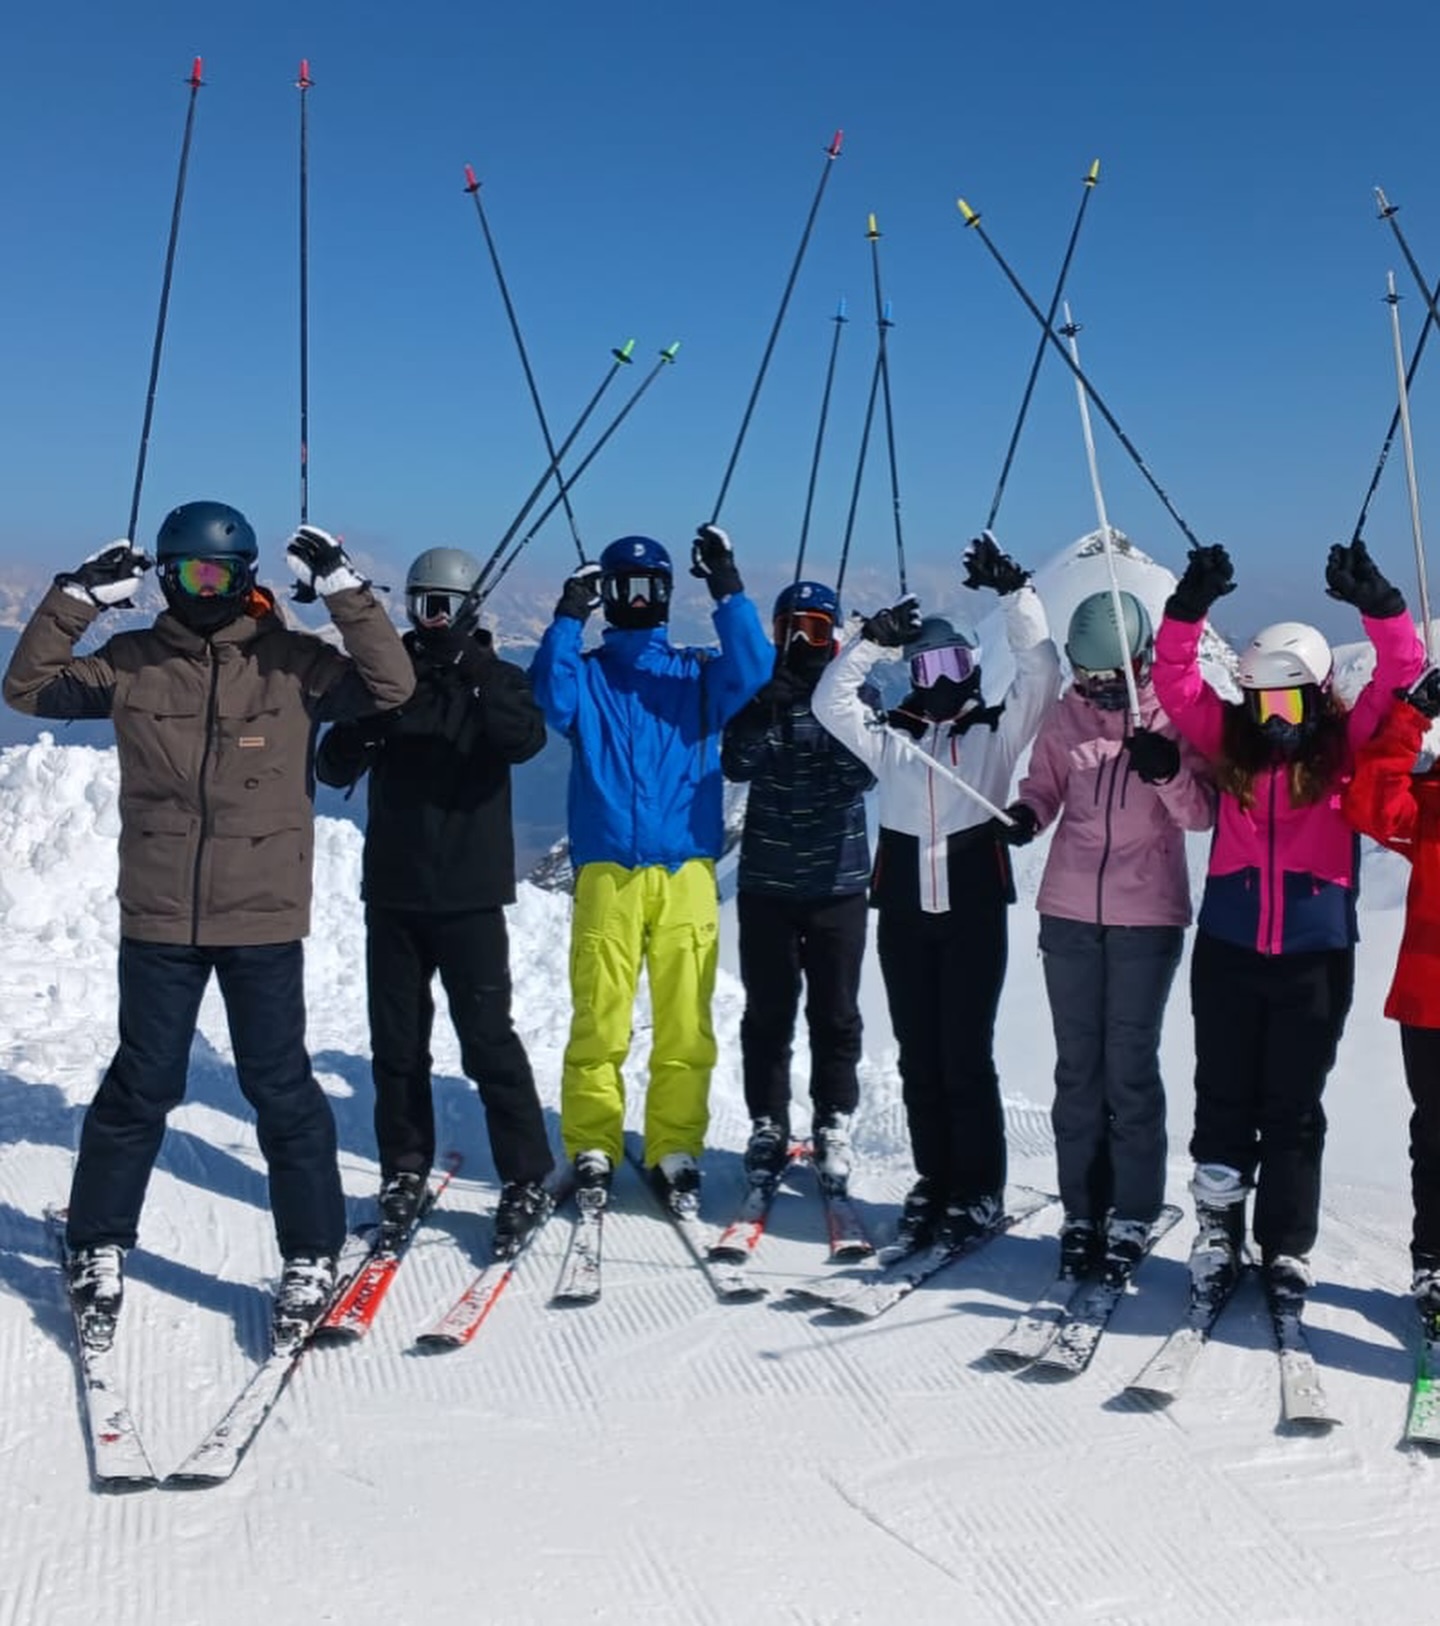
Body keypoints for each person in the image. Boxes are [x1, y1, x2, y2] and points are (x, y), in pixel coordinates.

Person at [2, 503, 416, 1347]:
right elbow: (29, 688)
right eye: (189, 572)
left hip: (262, 915)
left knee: (280, 1086)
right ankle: (99, 1241)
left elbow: (391, 686)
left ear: (247, 576)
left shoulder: (294, 666)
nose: (204, 588)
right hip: (160, 916)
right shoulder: (133, 663)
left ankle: (311, 1252)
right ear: (164, 577)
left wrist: (344, 589)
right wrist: (75, 597)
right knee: (142, 1084)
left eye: (219, 573)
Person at [1152, 538, 1424, 1307]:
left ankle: (1285, 1246)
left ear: (1318, 694)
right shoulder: (1229, 743)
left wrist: (1381, 606)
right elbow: (1175, 681)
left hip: (1314, 954)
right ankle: (1217, 1232)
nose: (1273, 720)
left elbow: (1402, 674)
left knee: (1294, 1107)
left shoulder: (1345, 748)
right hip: (1230, 949)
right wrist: (1187, 609)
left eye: (1288, 702)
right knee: (1224, 1096)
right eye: (1260, 702)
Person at [812, 532, 1062, 1248]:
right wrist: (869, 643)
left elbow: (1042, 674)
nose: (942, 679)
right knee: (919, 1054)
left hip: (972, 912)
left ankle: (977, 1189)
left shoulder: (993, 734)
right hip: (903, 916)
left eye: (954, 663)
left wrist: (1017, 595)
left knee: (964, 1054)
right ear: (913, 678)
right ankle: (935, 1179)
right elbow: (831, 703)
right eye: (926, 667)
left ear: (973, 666)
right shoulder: (891, 738)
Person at [315, 545, 555, 1259]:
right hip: (394, 890)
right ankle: (404, 1168)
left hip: (470, 895)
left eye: (445, 606)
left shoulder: (498, 680)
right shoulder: (384, 679)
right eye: (422, 604)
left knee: (487, 1038)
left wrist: (473, 669)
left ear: (471, 608)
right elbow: (331, 766)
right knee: (396, 1043)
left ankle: (526, 1176)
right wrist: (370, 719)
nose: (432, 619)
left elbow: (524, 741)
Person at [529, 524, 771, 1216]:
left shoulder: (695, 675)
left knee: (685, 1018)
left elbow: (754, 667)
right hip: (608, 869)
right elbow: (548, 695)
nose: (638, 599)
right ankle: (592, 1139)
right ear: (608, 595)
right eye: (624, 587)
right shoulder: (590, 677)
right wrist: (567, 617)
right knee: (600, 1017)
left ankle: (675, 1143)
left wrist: (726, 586)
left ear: (666, 593)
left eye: (651, 587)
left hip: (685, 868)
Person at [1001, 589, 1214, 1285]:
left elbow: (1200, 814)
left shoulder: (1171, 715)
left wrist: (1168, 771)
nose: (1097, 689)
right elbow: (1044, 785)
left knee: (1129, 1065)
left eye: (1109, 677)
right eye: (1086, 676)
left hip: (1146, 914)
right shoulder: (1068, 716)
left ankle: (1133, 1209)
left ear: (1140, 660)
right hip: (1068, 911)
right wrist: (1028, 817)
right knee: (1077, 1068)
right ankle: (1082, 1210)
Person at [720, 579, 874, 1196]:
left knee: (835, 1012)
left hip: (838, 883)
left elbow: (862, 774)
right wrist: (762, 710)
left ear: (834, 637)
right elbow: (736, 763)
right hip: (768, 884)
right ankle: (768, 1121)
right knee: (768, 1012)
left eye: (816, 629)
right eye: (792, 629)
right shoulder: (764, 693)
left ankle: (833, 1118)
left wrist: (831, 711)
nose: (804, 642)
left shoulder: (856, 697)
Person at [1341, 664, 1440, 1337]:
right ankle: (1433, 1262)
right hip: (1431, 1004)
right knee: (1435, 1138)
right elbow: (1369, 806)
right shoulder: (1430, 803)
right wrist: (1410, 718)